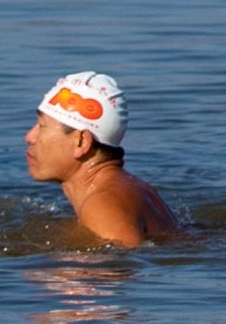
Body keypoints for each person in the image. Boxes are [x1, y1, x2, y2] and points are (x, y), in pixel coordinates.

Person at [25, 70, 179, 247]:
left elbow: (124, 261)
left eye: (41, 126)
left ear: (81, 142)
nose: (29, 137)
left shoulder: (101, 206)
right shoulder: (132, 189)